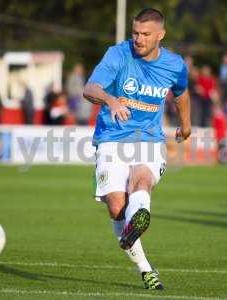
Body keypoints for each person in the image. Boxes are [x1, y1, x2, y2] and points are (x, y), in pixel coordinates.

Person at [83, 8, 190, 290]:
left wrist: (186, 125)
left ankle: (140, 215)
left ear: (160, 35)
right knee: (118, 208)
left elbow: (181, 93)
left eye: (145, 34)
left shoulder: (175, 64)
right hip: (111, 137)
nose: (138, 39)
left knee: (141, 180)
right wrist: (110, 100)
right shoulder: (118, 54)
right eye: (135, 33)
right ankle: (145, 267)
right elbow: (90, 88)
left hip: (149, 138)